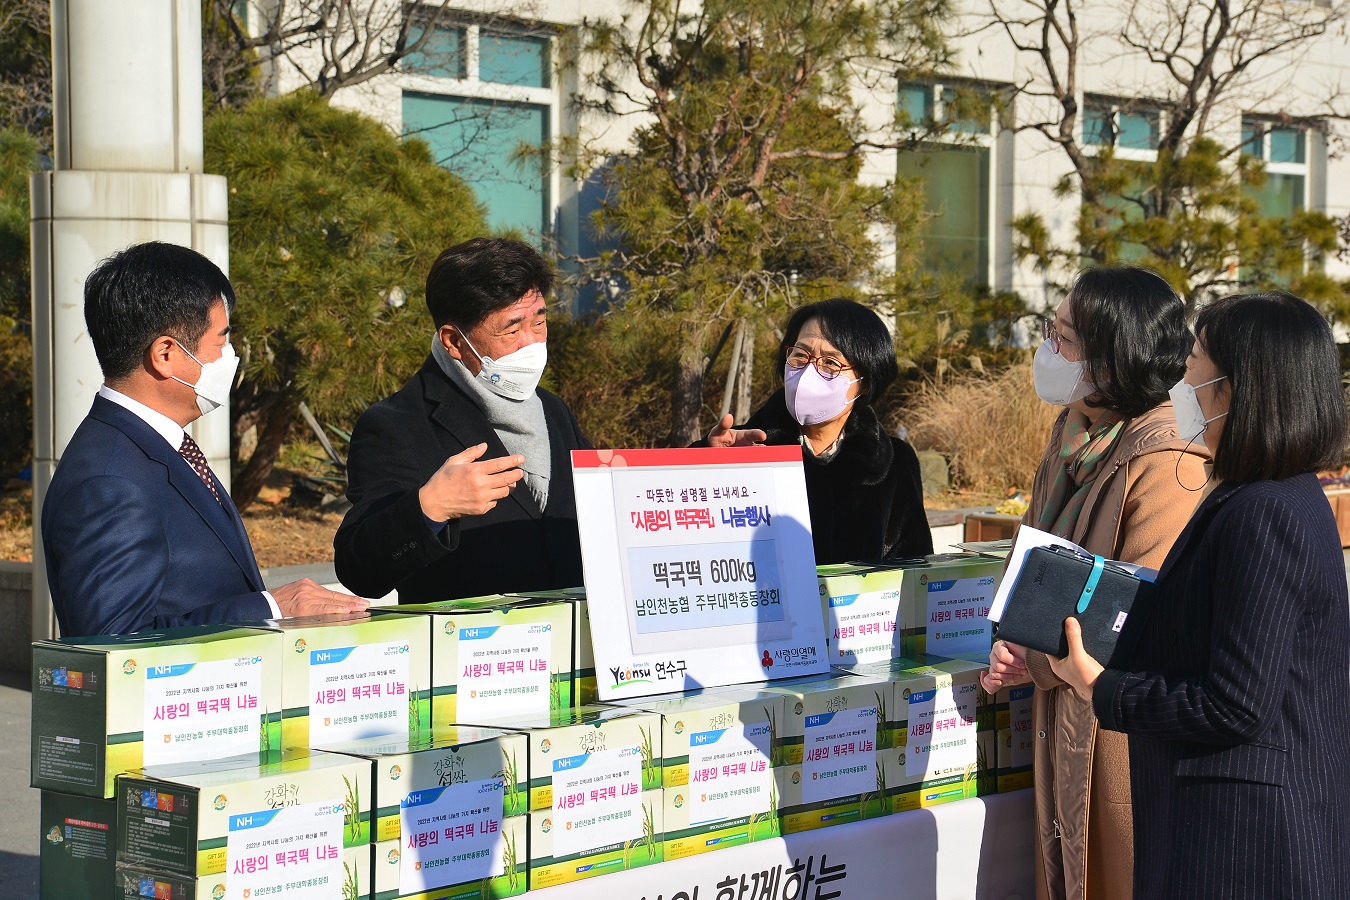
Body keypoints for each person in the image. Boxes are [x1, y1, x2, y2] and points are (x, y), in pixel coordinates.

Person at [1050, 291, 1350, 900]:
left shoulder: (1267, 511)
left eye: (1195, 358)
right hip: (1225, 830)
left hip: (1243, 845)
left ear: (1235, 388)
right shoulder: (1255, 493)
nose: (1181, 376)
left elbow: (1235, 704)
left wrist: (1099, 686)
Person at [981, 266, 1209, 900]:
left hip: (1119, 727)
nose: (1049, 351)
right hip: (1061, 708)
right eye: (1052, 333)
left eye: (1065, 338)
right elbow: (1034, 555)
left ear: (1114, 358)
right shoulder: (1072, 432)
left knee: (1119, 874)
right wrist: (1011, 636)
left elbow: (1138, 612)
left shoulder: (1169, 458)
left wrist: (1037, 660)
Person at [42, 242, 367, 636]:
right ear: (165, 354)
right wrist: (270, 608)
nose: (229, 356)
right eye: (221, 341)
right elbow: (112, 642)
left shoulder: (156, 447)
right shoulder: (110, 481)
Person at [334, 237, 589, 602]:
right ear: (454, 340)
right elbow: (359, 570)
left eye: (540, 321)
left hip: (576, 648)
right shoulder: (396, 425)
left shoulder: (553, 410)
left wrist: (699, 458)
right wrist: (430, 507)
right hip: (475, 651)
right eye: (513, 329)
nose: (532, 343)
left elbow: (610, 505)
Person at [704, 298, 933, 563]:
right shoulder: (738, 448)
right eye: (800, 355)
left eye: (830, 363)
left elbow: (914, 570)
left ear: (865, 382)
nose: (808, 373)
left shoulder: (895, 462)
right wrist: (708, 464)